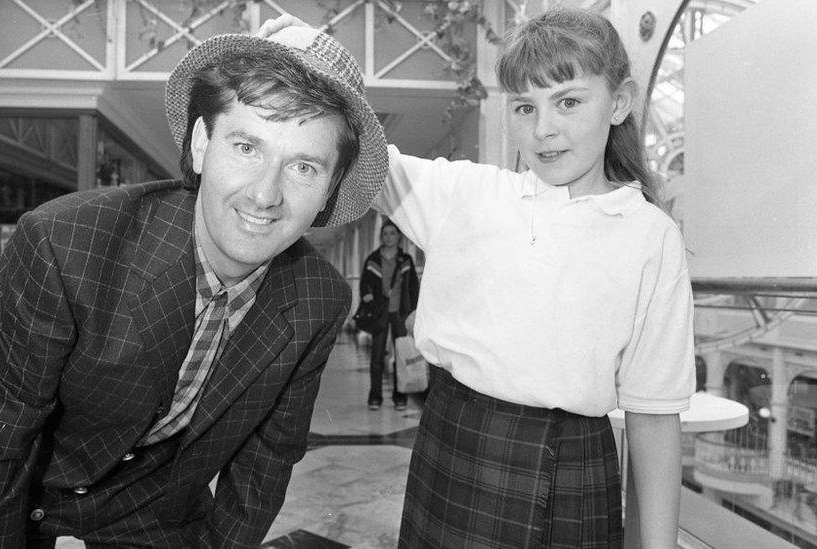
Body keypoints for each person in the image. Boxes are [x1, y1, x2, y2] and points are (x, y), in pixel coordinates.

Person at [0, 25, 387, 548]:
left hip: (157, 518)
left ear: (329, 192)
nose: (266, 194)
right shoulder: (65, 243)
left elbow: (265, 464)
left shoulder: (318, 300)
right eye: (247, 146)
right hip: (21, 499)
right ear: (202, 145)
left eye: (303, 166)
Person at [261, 7, 694, 548]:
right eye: (524, 106)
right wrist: (313, 61)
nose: (544, 129)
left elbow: (653, 418)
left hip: (573, 472)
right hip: (453, 443)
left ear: (620, 103)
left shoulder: (650, 236)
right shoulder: (470, 195)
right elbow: (366, 155)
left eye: (569, 101)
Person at [359, 218, 420, 411]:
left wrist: (414, 312)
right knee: (377, 356)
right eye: (385, 233)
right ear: (381, 236)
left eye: (392, 233)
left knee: (401, 355)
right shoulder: (373, 259)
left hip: (400, 314)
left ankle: (399, 396)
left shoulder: (406, 260)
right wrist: (367, 295)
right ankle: (375, 397)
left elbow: (413, 287)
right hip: (380, 313)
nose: (388, 237)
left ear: (399, 237)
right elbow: (364, 283)